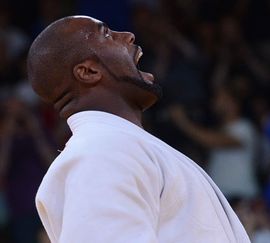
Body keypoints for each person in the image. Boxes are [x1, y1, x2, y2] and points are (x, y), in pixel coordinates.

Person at [27, 15, 250, 243]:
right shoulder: (99, 151)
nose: (128, 35)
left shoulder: (116, 146)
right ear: (89, 72)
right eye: (106, 34)